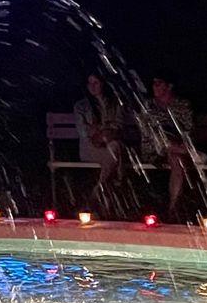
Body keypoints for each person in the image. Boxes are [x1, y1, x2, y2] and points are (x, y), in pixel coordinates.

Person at [74, 72, 135, 203]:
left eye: (96, 83)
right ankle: (117, 186)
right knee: (116, 151)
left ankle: (98, 193)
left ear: (102, 84)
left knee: (115, 146)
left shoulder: (115, 103)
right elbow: (83, 131)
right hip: (91, 148)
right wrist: (103, 131)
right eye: (89, 83)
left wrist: (102, 132)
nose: (92, 86)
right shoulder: (81, 106)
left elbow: (118, 126)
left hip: (111, 145)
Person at [147, 74, 199, 219]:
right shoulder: (149, 106)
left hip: (176, 148)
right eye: (153, 83)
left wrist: (182, 141)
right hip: (155, 148)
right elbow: (151, 131)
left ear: (169, 86)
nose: (154, 87)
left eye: (159, 83)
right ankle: (190, 153)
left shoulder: (182, 105)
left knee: (177, 160)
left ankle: (173, 207)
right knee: (166, 143)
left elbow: (189, 129)